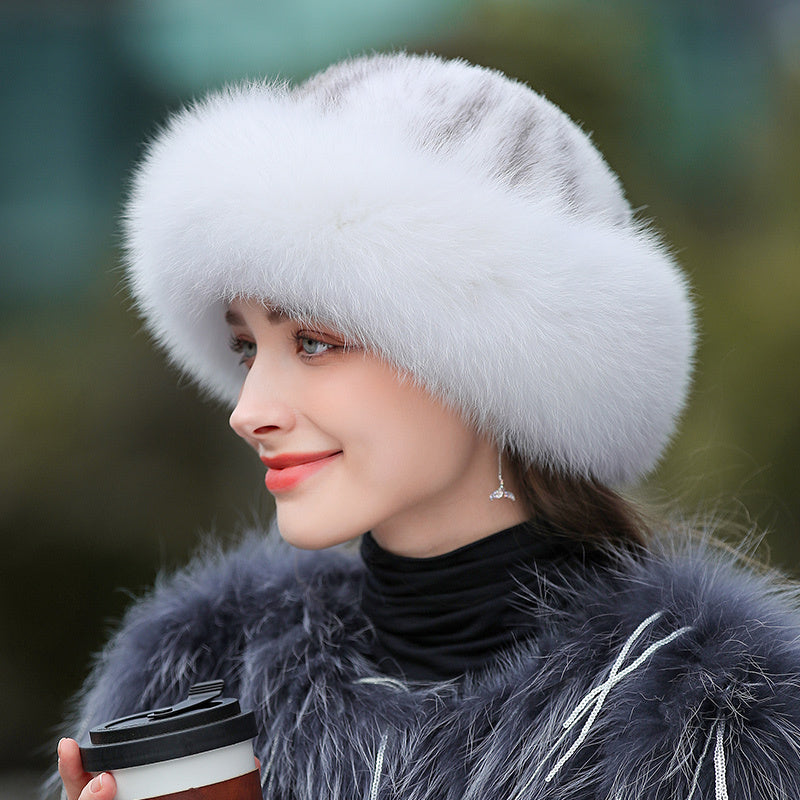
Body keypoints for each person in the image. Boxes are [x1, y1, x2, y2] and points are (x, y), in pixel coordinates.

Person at [55, 52, 800, 800]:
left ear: (491, 356)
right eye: (246, 346)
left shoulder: (715, 727)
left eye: (314, 341)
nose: (248, 411)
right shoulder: (194, 684)